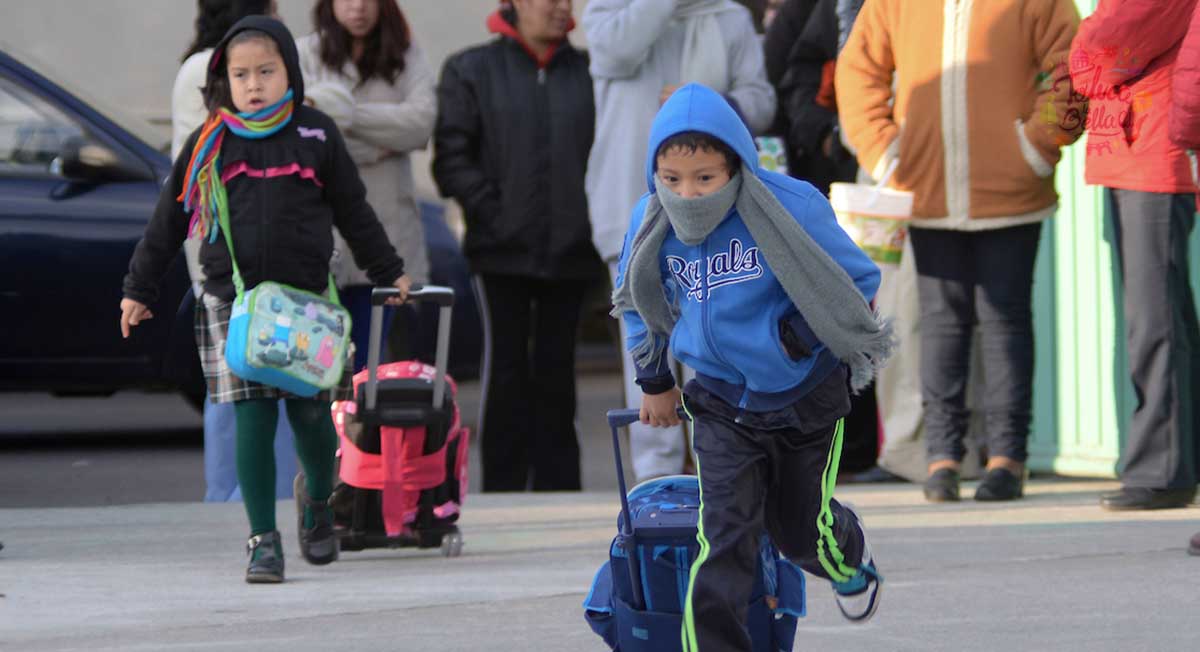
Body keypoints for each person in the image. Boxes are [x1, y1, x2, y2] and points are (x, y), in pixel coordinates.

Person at [122, 16, 411, 583]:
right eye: (241, 75)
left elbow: (354, 211)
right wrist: (138, 288)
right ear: (223, 81)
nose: (253, 84)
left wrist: (390, 270)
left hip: (307, 305)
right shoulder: (209, 143)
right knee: (251, 417)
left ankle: (318, 503)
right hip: (233, 305)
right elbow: (168, 221)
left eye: (266, 71)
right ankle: (263, 541)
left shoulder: (316, 135)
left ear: (290, 74)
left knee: (312, 418)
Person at [612, 83, 888, 650]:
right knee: (723, 537)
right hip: (719, 403)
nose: (687, 194)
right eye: (671, 179)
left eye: (705, 178)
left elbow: (857, 281)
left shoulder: (793, 204)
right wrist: (655, 381)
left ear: (736, 164)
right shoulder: (650, 220)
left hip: (804, 396)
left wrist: (793, 340)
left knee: (799, 533)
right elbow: (638, 303)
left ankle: (848, 552)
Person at [838, 0, 1083, 502]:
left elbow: (1073, 67)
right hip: (926, 186)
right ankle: (942, 457)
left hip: (1012, 189)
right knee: (940, 323)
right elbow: (858, 68)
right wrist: (885, 152)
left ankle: (1007, 458)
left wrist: (1038, 144)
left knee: (1005, 321)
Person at [583, 0, 775, 483]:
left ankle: (719, 466)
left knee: (713, 335)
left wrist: (712, 106)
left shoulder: (727, 16)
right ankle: (658, 473)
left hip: (717, 215)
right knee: (645, 337)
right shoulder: (613, 9)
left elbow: (762, 101)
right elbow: (614, 52)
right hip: (630, 204)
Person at [432, 0, 602, 492]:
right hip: (499, 253)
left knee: (557, 372)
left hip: (572, 250)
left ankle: (560, 492)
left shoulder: (591, 72)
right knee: (504, 371)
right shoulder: (470, 69)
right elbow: (451, 160)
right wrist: (497, 215)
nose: (562, 7)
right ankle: (501, 491)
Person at [1070, 0, 1200, 511]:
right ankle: (1174, 463)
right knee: (1164, 319)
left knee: (1155, 322)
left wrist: (1083, 42)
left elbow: (1102, 46)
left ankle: (1161, 469)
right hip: (1132, 147)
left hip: (1151, 149)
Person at [172, 0, 299, 504]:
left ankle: (275, 496)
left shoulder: (269, 71)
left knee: (279, 387)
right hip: (227, 268)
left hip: (275, 268)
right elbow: (193, 183)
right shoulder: (203, 72)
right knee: (232, 392)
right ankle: (229, 501)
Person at [298, 0, 436, 373]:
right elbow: (302, 130)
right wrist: (382, 144)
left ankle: (359, 415)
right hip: (323, 235)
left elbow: (420, 124)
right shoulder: (305, 53)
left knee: (367, 364)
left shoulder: (406, 53)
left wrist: (341, 116)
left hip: (387, 228)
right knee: (317, 364)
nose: (358, 7)